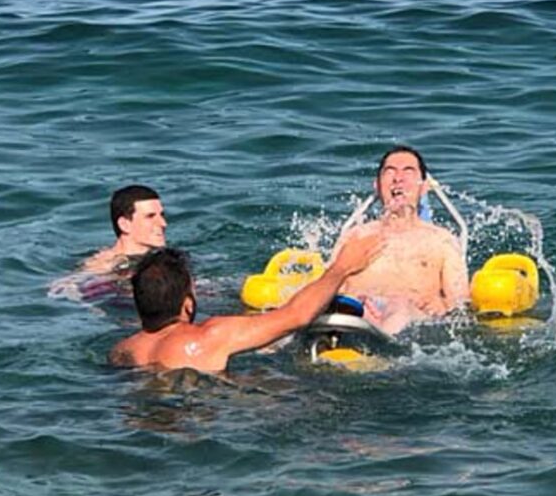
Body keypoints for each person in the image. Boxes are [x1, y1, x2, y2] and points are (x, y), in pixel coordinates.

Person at [109, 233, 385, 373]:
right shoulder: (210, 335)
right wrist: (342, 267)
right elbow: (298, 315)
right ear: (187, 304)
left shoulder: (121, 351)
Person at [332, 146, 469, 334]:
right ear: (377, 185)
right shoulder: (356, 236)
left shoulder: (441, 241)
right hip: (357, 311)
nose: (398, 178)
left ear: (424, 186)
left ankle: (382, 345)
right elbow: (329, 284)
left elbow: (460, 303)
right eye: (390, 171)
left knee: (399, 305)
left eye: (408, 171)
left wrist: (442, 305)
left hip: (412, 320)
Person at [83, 184, 167, 274]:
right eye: (150, 216)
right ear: (124, 225)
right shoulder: (102, 266)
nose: (163, 223)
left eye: (162, 215)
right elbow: (72, 284)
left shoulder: (165, 258)